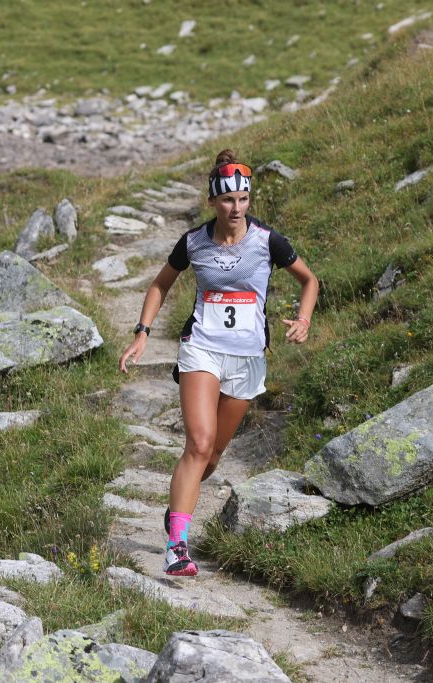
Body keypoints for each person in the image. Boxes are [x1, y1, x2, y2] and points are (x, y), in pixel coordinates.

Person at [118, 149, 319, 577]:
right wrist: (142, 332)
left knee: (212, 456)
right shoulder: (194, 242)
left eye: (243, 199)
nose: (236, 208)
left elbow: (309, 280)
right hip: (202, 348)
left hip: (247, 358)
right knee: (199, 443)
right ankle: (177, 546)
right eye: (228, 200)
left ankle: (178, 506)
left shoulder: (267, 241)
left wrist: (303, 319)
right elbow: (159, 285)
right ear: (212, 201)